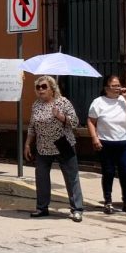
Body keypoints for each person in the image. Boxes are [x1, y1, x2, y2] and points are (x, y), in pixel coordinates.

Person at [24, 75, 84, 222]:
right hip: (43, 146)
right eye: (38, 87)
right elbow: (32, 126)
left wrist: (61, 116)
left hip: (62, 144)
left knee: (71, 177)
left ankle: (77, 209)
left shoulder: (63, 102)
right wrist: (27, 144)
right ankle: (42, 208)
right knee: (42, 178)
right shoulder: (36, 105)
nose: (40, 90)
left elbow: (75, 122)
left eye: (44, 86)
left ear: (52, 88)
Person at [87, 75, 126, 215]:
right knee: (108, 172)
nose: (117, 88)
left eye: (119, 85)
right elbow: (91, 121)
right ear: (106, 88)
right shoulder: (98, 102)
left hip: (124, 142)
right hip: (106, 143)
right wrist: (95, 138)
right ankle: (108, 202)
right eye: (114, 86)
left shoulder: (124, 101)